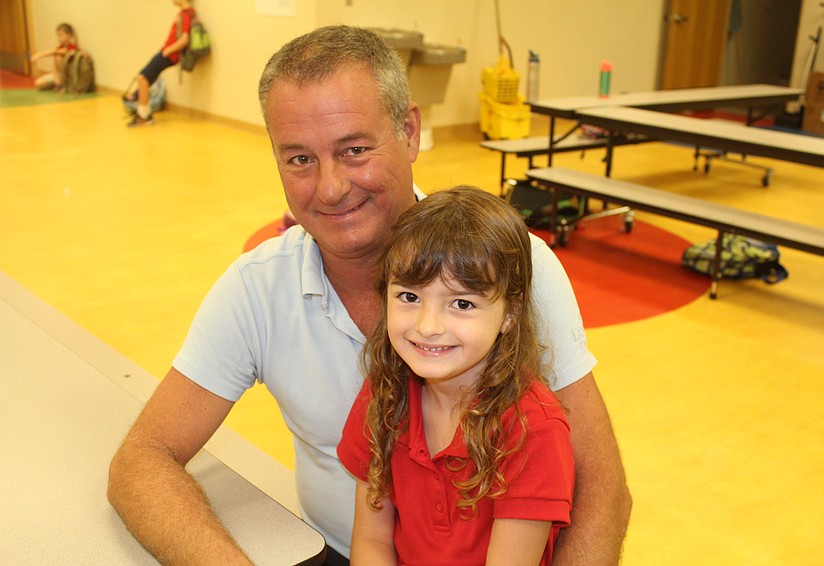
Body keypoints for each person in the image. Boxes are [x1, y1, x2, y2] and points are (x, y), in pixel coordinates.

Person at [108, 25, 631, 565]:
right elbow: (144, 457)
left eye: (354, 149)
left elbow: (601, 487)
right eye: (299, 159)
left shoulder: (514, 267)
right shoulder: (257, 289)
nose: (330, 188)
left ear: (409, 132)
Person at [338, 186, 574, 565]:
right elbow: (372, 542)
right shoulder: (382, 394)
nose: (428, 326)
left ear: (510, 314)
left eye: (462, 303)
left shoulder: (534, 429)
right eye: (409, 297)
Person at [125, 0, 194, 127]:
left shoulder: (186, 14)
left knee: (143, 78)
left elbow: (185, 39)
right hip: (166, 52)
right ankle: (141, 108)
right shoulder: (183, 13)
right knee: (144, 79)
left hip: (169, 54)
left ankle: (144, 115)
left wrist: (168, 51)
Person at [30, 23, 78, 92]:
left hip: (68, 76)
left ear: (69, 35)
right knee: (38, 83)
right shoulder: (59, 47)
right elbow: (54, 51)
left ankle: (60, 85)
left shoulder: (72, 48)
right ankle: (57, 84)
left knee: (58, 56)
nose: (59, 38)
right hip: (58, 76)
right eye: (58, 35)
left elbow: (55, 51)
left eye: (61, 35)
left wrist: (39, 55)